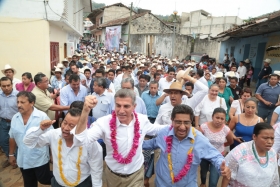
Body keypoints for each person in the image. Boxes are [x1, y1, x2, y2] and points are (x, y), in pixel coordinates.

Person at [72, 90, 166, 187]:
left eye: (126, 106)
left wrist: (175, 126)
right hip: (113, 176)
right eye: (118, 105)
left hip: (136, 175)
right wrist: (85, 111)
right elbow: (80, 141)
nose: (121, 111)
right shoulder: (103, 123)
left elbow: (157, 129)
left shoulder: (142, 120)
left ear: (134, 106)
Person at [143, 104, 231, 186]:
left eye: (186, 122)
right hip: (162, 184)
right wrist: (133, 144)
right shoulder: (164, 133)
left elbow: (215, 156)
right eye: (178, 122)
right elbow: (153, 143)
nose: (182, 127)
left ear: (191, 122)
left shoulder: (199, 139)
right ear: (172, 120)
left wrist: (222, 167)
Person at [23, 108, 103, 187]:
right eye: (64, 123)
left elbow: (96, 170)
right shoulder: (54, 134)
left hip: (82, 183)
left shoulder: (90, 143)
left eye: (71, 126)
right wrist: (40, 129)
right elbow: (28, 142)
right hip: (58, 183)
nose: (65, 128)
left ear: (81, 127)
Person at [9, 91, 53, 186]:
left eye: (22, 102)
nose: (19, 105)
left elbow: (52, 137)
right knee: (29, 184)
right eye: (18, 102)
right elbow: (12, 137)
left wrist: (52, 155)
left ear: (32, 103)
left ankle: (64, 178)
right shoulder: (15, 118)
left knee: (44, 179)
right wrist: (11, 154)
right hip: (23, 159)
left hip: (39, 157)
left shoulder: (42, 116)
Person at [222, 123, 279, 187]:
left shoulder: (272, 153)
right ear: (254, 137)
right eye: (265, 138)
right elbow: (227, 175)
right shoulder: (240, 151)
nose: (270, 142)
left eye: (272, 138)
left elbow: (274, 177)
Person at [199, 108, 234, 187]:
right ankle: (203, 183)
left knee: (213, 181)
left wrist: (223, 145)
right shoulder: (204, 127)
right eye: (217, 117)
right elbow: (198, 140)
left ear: (225, 120)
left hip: (217, 156)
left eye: (222, 119)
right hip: (204, 155)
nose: (219, 120)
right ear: (212, 117)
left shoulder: (226, 129)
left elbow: (230, 141)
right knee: (203, 172)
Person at [0, 77, 18, 168]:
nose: (6, 88)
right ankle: (10, 158)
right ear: (0, 86)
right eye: (3, 86)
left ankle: (18, 160)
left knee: (17, 142)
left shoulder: (18, 95)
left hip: (15, 122)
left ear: (12, 85)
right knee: (3, 141)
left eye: (8, 85)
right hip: (3, 122)